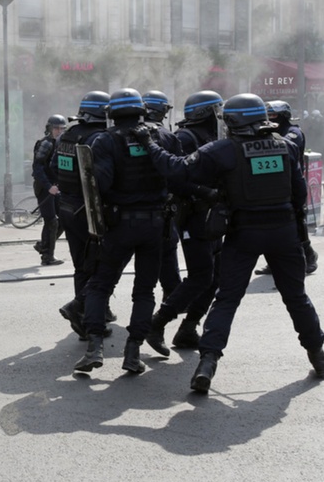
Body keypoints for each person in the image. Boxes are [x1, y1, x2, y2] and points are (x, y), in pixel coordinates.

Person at [131, 92, 324, 392]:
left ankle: (207, 363)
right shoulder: (285, 146)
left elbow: (176, 169)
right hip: (285, 233)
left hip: (243, 234)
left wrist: (148, 143)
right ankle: (318, 356)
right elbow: (299, 195)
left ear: (232, 122)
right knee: (296, 297)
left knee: (227, 300)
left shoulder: (223, 150)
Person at [73, 88, 181, 374]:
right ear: (141, 111)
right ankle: (132, 353)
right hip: (156, 225)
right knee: (144, 291)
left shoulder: (105, 141)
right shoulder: (165, 137)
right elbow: (178, 176)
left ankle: (94, 348)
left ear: (112, 114)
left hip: (120, 225)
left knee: (100, 285)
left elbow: (101, 185)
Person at [145, 90, 225, 353]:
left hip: (212, 216)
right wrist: (205, 192)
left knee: (214, 277)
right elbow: (175, 178)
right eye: (217, 110)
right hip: (192, 214)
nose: (221, 115)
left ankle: (189, 328)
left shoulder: (215, 136)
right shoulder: (186, 137)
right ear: (206, 112)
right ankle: (158, 323)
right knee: (202, 274)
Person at [52, 91, 116, 337]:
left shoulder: (67, 135)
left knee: (81, 265)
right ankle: (87, 317)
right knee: (99, 265)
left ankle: (97, 312)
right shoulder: (100, 138)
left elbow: (54, 167)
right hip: (89, 210)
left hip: (67, 207)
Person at [255, 100, 318, 275]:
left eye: (274, 116)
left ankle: (309, 258)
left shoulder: (292, 133)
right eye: (268, 116)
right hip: (273, 185)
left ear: (283, 116)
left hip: (291, 184)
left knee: (297, 222)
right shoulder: (268, 133)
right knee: (270, 225)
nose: (270, 119)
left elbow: (284, 148)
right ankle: (273, 263)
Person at [143, 90, 182, 302]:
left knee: (113, 265)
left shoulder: (116, 135)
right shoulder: (168, 137)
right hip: (161, 211)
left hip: (121, 213)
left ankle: (86, 305)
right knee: (167, 256)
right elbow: (179, 175)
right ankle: (174, 299)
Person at [32, 114, 67, 266]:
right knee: (51, 221)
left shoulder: (60, 143)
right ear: (50, 129)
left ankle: (43, 245)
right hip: (44, 187)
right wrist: (48, 187)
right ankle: (47, 256)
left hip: (55, 186)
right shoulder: (46, 144)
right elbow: (37, 168)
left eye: (61, 128)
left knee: (65, 218)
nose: (59, 131)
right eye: (56, 128)